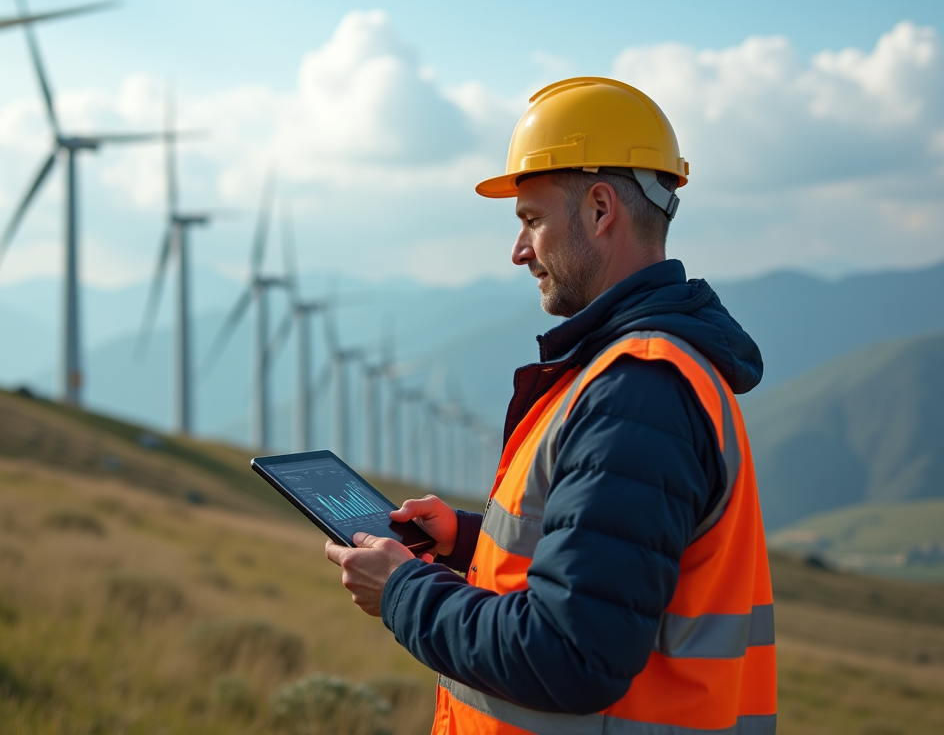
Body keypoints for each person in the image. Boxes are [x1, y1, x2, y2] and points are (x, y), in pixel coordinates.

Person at [325, 77, 776, 734]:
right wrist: (471, 543)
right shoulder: (628, 372)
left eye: (531, 220)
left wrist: (403, 591)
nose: (518, 251)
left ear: (600, 209)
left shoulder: (638, 390)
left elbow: (570, 654)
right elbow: (620, 573)